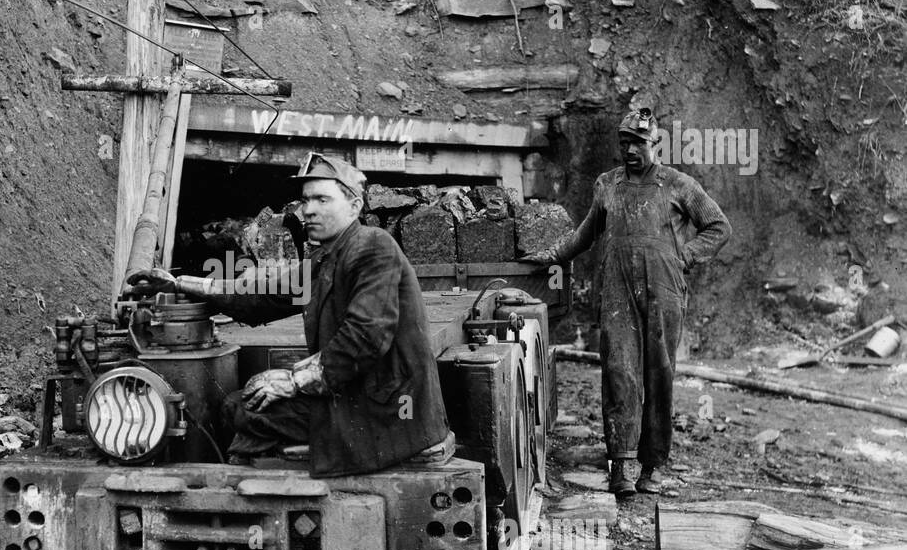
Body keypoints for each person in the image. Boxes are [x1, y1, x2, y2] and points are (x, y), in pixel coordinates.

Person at [126, 152, 452, 478]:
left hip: (391, 413)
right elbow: (261, 295)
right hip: (364, 397)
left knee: (244, 409)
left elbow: (365, 336)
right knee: (243, 406)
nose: (308, 210)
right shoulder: (329, 257)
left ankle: (243, 494)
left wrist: (294, 381)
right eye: (307, 200)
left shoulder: (372, 247)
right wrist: (180, 282)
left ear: (354, 207)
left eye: (323, 199)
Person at [523, 108, 731, 497]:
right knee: (619, 373)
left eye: (638, 143)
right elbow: (584, 236)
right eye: (625, 144)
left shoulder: (679, 185)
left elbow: (719, 226)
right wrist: (551, 255)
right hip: (618, 292)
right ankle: (620, 466)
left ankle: (651, 468)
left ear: (656, 145)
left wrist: (684, 256)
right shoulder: (607, 185)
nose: (630, 150)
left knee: (659, 376)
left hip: (664, 293)